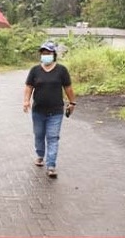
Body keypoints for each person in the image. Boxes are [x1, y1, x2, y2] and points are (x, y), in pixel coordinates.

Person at [23, 41, 76, 179]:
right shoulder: (35, 70)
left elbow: (68, 88)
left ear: (54, 55)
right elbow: (29, 87)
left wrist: (72, 102)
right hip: (38, 111)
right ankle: (40, 155)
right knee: (39, 135)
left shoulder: (61, 70)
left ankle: (51, 165)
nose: (45, 55)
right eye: (43, 53)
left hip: (56, 111)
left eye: (48, 53)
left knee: (53, 137)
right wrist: (26, 101)